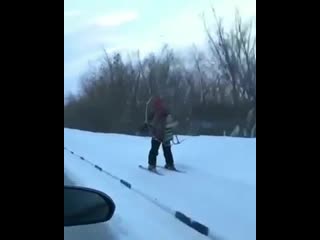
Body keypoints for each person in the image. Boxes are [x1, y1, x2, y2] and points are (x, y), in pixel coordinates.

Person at [145, 96, 178, 171]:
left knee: (154, 150)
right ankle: (170, 164)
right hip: (166, 136)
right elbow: (170, 124)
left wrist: (149, 125)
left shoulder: (158, 112)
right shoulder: (167, 112)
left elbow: (157, 124)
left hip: (158, 135)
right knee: (167, 150)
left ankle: (152, 165)